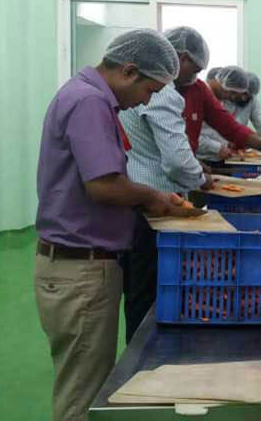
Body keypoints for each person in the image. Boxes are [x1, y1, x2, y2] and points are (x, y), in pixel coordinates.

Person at [34, 29, 204, 421]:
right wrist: (155, 198)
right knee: (84, 390)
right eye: (150, 89)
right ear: (129, 71)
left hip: (77, 264)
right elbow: (104, 185)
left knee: (83, 377)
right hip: (82, 269)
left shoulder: (82, 95)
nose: (146, 101)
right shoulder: (90, 102)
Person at [119, 27, 261, 344]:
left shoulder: (185, 88)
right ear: (179, 58)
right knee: (144, 284)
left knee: (153, 280)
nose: (196, 77)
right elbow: (176, 159)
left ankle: (148, 345)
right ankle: (141, 353)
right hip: (149, 203)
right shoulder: (162, 94)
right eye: (194, 69)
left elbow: (226, 124)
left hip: (165, 195)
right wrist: (201, 178)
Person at [197, 67, 261, 161]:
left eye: (246, 95)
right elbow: (194, 135)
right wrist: (219, 147)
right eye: (234, 93)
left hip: (223, 154)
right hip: (203, 156)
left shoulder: (222, 99)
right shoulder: (203, 97)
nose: (242, 98)